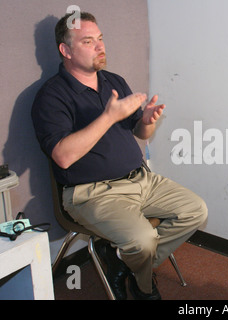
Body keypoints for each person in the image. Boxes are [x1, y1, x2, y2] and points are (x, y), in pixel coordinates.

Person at [31, 11, 207, 300]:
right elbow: (62, 157)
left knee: (196, 210)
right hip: (93, 193)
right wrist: (108, 117)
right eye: (88, 41)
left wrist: (147, 121)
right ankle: (143, 286)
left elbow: (140, 133)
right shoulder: (51, 96)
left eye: (100, 39)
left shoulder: (113, 81)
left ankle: (124, 263)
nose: (100, 47)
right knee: (143, 240)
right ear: (65, 50)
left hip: (141, 181)